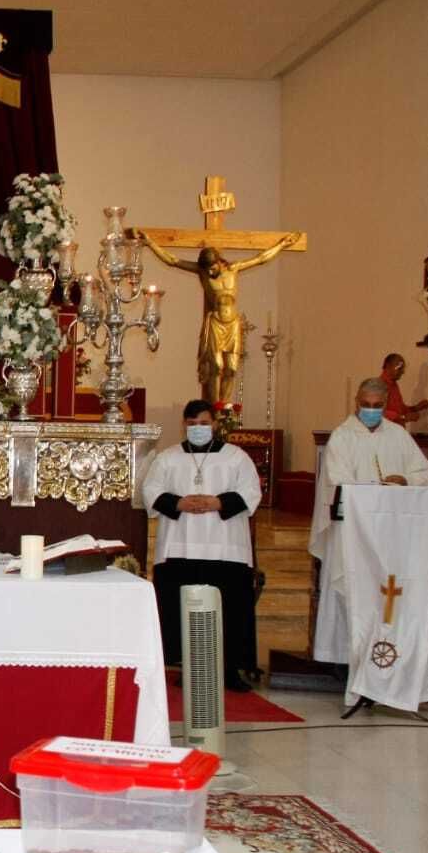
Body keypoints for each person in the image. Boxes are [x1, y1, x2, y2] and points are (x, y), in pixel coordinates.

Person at [310, 378, 428, 662]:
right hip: (351, 529)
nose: (370, 410)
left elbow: (425, 473)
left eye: (377, 406)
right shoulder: (343, 436)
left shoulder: (398, 436)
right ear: (357, 402)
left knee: (384, 591)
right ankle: (343, 656)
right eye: (365, 405)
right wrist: (376, 490)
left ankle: (382, 653)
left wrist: (405, 479)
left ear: (386, 404)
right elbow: (337, 479)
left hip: (390, 530)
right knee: (349, 588)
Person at [142, 399, 262, 692]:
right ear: (184, 425)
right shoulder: (168, 458)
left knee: (230, 608)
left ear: (215, 424)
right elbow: (151, 490)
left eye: (204, 423)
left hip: (226, 547)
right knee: (180, 609)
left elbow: (251, 491)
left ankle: (230, 668)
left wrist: (217, 502)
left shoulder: (236, 457)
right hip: (180, 546)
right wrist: (180, 502)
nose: (198, 429)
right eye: (193, 424)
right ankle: (188, 665)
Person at [141, 231, 299, 406]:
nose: (210, 271)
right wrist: (150, 242)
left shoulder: (234, 269)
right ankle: (215, 408)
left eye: (212, 267)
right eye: (207, 268)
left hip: (232, 323)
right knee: (216, 367)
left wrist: (282, 245)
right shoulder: (202, 272)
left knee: (231, 368)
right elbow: (171, 260)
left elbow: (261, 258)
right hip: (216, 323)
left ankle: (224, 408)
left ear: (218, 262)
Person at [380, 353, 428, 425]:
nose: (403, 372)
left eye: (403, 368)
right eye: (399, 368)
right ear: (388, 366)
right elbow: (378, 412)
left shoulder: (394, 385)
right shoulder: (378, 385)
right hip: (386, 433)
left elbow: (400, 409)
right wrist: (403, 417)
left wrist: (416, 408)